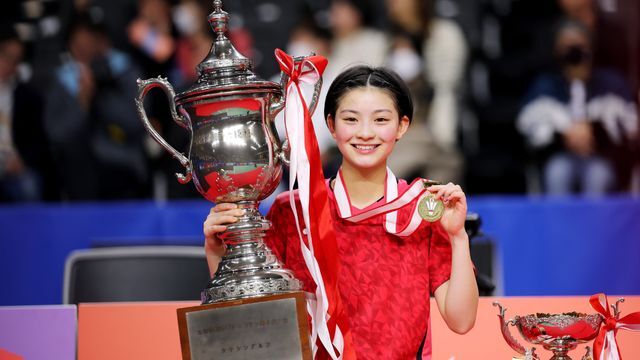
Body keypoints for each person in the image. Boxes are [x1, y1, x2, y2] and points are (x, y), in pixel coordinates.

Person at [203, 66, 479, 359]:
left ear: (402, 126)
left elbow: (461, 321)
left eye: (381, 120)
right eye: (351, 119)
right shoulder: (295, 212)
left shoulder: (422, 211)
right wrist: (217, 250)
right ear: (331, 125)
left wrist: (458, 237)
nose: (365, 133)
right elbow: (252, 320)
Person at [517, 19, 638, 195]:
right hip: (559, 157)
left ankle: (599, 223)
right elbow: (527, 126)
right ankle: (558, 223)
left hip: (601, 158)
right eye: (567, 47)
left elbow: (630, 127)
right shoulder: (545, 85)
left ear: (590, 47)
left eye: (579, 46)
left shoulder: (611, 83)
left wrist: (595, 130)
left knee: (598, 175)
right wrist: (564, 133)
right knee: (558, 172)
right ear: (557, 50)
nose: (574, 53)